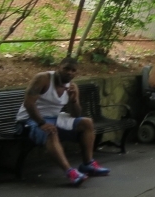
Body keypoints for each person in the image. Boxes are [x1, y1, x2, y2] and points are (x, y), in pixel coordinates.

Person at [15, 57, 109, 186]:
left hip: (54, 117)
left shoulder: (72, 87)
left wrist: (73, 100)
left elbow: (76, 115)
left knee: (87, 123)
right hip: (28, 119)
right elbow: (29, 104)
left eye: (73, 70)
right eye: (66, 69)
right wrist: (42, 123)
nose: (69, 72)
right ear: (58, 67)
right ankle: (70, 172)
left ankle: (88, 164)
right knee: (51, 131)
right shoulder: (43, 79)